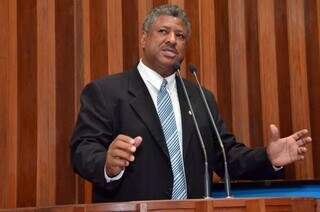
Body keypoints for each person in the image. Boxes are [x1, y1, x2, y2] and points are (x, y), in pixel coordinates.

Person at [70, 4, 311, 202]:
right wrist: (107, 164)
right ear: (144, 39)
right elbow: (82, 150)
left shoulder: (200, 97)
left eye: (180, 35)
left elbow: (226, 156)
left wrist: (269, 158)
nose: (172, 40)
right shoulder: (106, 92)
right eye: (163, 32)